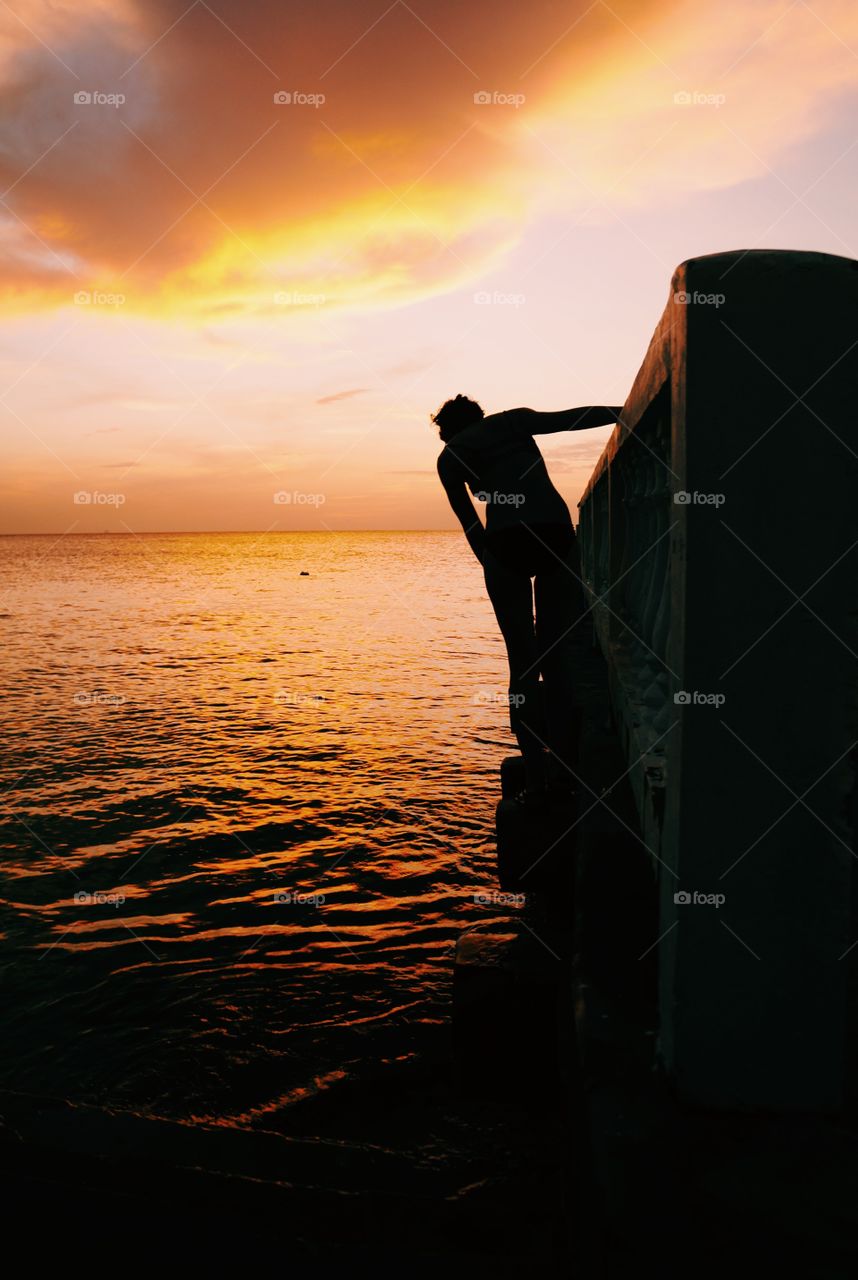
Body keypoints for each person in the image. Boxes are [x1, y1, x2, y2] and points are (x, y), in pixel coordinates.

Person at [434, 394, 623, 805]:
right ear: (478, 416)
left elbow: (470, 523)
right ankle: (566, 772)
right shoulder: (512, 422)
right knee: (557, 660)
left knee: (522, 665)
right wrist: (625, 411)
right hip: (554, 535)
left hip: (505, 543)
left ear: (446, 430)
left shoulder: (450, 457)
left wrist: (494, 563)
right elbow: (576, 417)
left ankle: (536, 781)